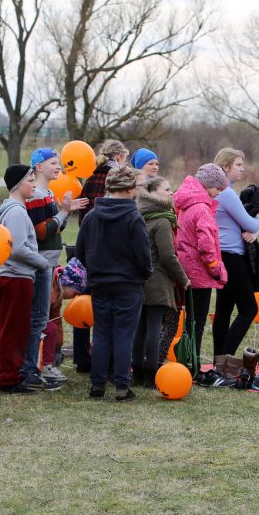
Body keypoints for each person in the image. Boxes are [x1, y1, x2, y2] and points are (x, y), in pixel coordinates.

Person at [76, 166, 152, 401]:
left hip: (99, 284)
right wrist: (145, 273)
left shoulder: (91, 216)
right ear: (130, 189)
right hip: (128, 285)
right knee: (123, 335)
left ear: (109, 187)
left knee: (101, 334)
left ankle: (97, 385)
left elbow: (81, 251)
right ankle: (121, 385)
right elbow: (143, 255)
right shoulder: (133, 217)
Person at [0, 165, 53, 394]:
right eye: (30, 180)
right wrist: (43, 263)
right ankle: (9, 379)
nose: (34, 184)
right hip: (16, 277)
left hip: (8, 275)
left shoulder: (11, 210)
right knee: (15, 329)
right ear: (17, 185)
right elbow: (18, 249)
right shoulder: (17, 212)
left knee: (2, 327)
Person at [24, 148, 87, 387]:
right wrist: (63, 212)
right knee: (39, 317)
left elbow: (55, 229)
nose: (58, 166)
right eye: (53, 162)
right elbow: (42, 231)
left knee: (45, 315)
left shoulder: (49, 193)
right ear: (39, 167)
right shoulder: (37, 195)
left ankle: (40, 365)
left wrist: (63, 212)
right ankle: (31, 368)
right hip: (40, 264)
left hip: (49, 263)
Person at [73, 139, 129, 372]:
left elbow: (83, 213)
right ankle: (104, 360)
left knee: (83, 303)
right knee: (106, 313)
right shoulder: (114, 178)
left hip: (88, 244)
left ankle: (82, 357)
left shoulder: (91, 177)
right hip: (109, 249)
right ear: (118, 157)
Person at [133, 177, 190, 387]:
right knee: (154, 327)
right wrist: (183, 279)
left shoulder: (139, 215)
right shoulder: (163, 221)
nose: (171, 193)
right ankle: (150, 374)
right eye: (166, 189)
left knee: (140, 327)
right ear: (154, 194)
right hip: (157, 279)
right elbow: (168, 256)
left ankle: (137, 371)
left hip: (139, 279)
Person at [172, 163, 228, 359]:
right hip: (199, 273)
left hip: (185, 267)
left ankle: (186, 358)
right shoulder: (202, 208)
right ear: (207, 185)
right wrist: (215, 268)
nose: (218, 193)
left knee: (188, 320)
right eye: (217, 188)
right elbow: (206, 244)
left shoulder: (185, 204)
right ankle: (191, 361)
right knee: (197, 321)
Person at [212, 147, 259, 357]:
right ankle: (226, 357)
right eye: (238, 165)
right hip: (232, 256)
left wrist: (254, 230)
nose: (243, 169)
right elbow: (249, 223)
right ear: (226, 167)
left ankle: (218, 360)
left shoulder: (218, 191)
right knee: (249, 309)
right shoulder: (227, 193)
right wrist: (258, 223)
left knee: (224, 310)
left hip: (222, 255)